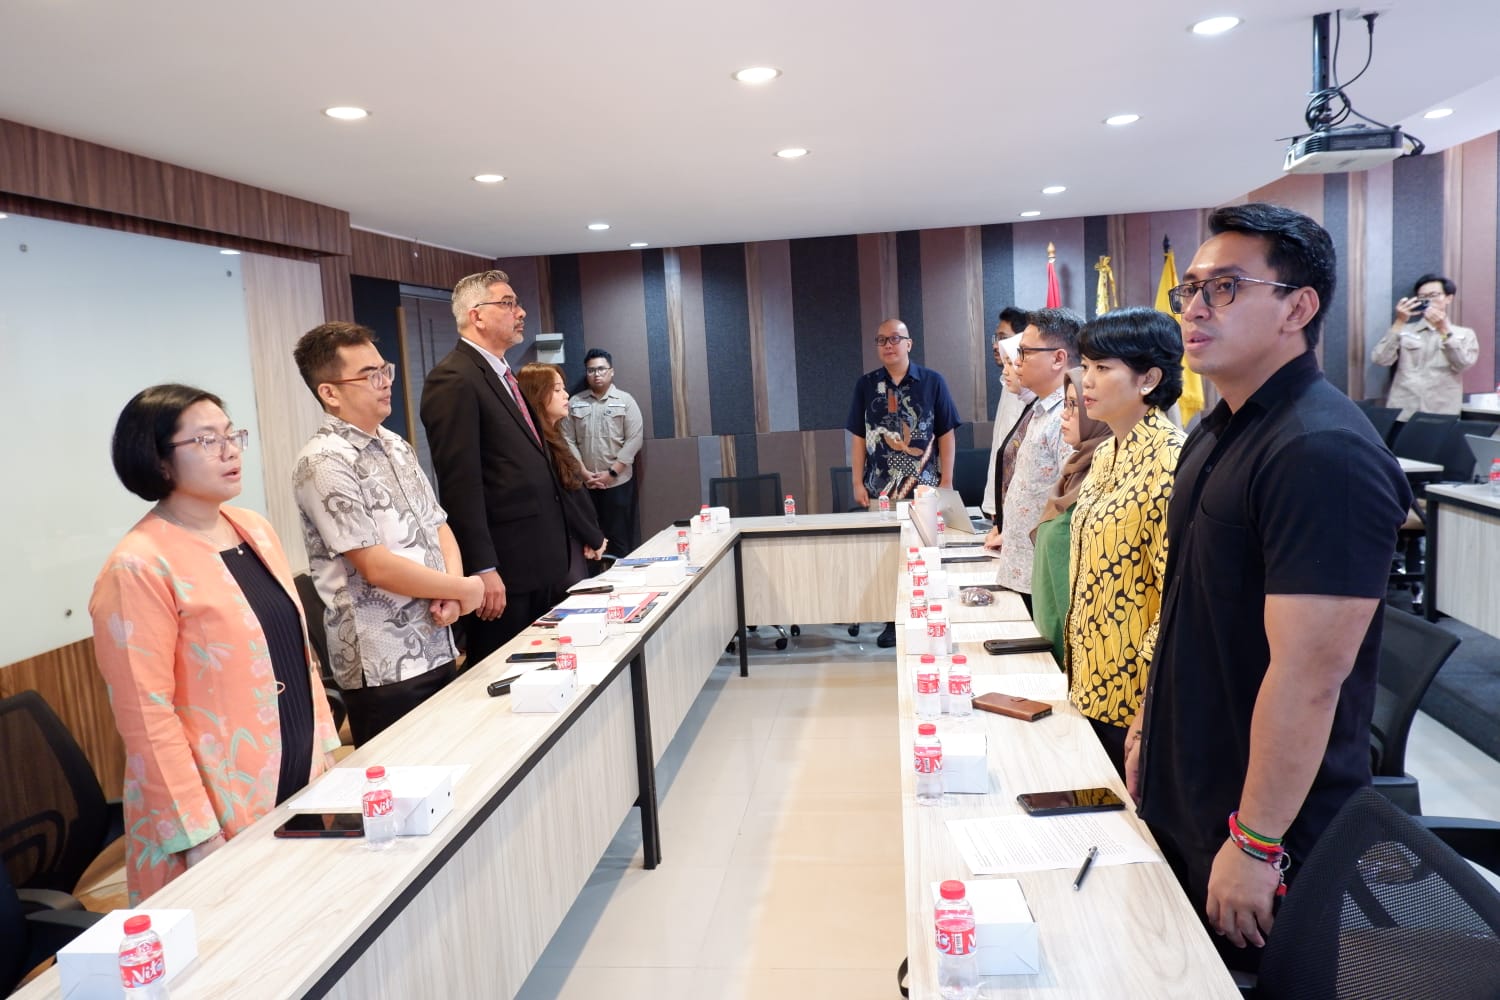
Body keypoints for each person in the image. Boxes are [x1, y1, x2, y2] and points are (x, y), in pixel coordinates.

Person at [1129, 203, 1410, 971]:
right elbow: (1188, 605)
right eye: (1189, 289)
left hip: (1265, 825)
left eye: (1224, 287)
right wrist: (1150, 725)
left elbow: (1310, 677)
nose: (1193, 308)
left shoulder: (1322, 451)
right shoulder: (1219, 428)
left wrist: (1256, 841)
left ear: (1298, 307)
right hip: (1194, 781)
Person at [90, 385, 340, 903]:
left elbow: (297, 655)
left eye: (231, 435)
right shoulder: (138, 565)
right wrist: (197, 833)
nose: (229, 451)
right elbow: (145, 715)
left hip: (296, 772)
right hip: (218, 805)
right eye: (206, 440)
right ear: (159, 461)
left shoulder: (253, 529)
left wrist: (325, 752)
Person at [291, 322, 485, 746]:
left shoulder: (395, 444)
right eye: (369, 375)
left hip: (436, 637)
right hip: (382, 660)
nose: (385, 382)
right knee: (407, 776)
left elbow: (436, 524)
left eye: (385, 370)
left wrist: (453, 593)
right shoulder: (323, 462)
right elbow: (375, 566)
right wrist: (463, 589)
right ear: (329, 392)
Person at [420, 270, 574, 667]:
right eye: (508, 304)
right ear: (477, 315)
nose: (520, 312)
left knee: (545, 671)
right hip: (505, 571)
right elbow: (460, 483)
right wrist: (482, 568)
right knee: (505, 675)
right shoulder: (454, 379)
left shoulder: (504, 374)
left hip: (540, 560)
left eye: (517, 304)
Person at [1065, 307, 1185, 778]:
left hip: (1135, 696)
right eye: (1085, 366)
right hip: (1090, 678)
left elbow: (1174, 599)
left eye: (1102, 367)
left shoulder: (1171, 461)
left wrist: (1147, 708)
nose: (1086, 381)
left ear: (1148, 379)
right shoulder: (1106, 452)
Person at [845, 317, 962, 647]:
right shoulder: (866, 385)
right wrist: (856, 482)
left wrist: (947, 480)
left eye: (895, 339)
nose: (888, 345)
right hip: (879, 491)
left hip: (923, 490)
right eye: (881, 340)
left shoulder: (932, 382)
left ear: (909, 343)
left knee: (923, 556)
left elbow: (947, 434)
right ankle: (892, 622)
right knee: (886, 558)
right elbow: (857, 436)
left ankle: (926, 616)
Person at [984, 307, 1081, 611]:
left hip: (1044, 575)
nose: (1017, 361)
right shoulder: (1042, 410)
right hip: (1023, 569)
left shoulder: (1068, 416)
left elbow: (1070, 506)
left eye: (1025, 352)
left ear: (1058, 358)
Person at [1028, 370, 1108, 668]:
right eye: (1066, 404)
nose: (1064, 414)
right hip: (1054, 640)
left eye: (1075, 405)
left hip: (1084, 657)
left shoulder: (1104, 474)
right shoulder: (1076, 469)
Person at [518, 362, 609, 584]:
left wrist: (591, 536)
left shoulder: (556, 436)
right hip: (558, 548)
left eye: (564, 388)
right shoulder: (537, 444)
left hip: (575, 540)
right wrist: (593, 537)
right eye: (557, 389)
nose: (566, 395)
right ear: (537, 395)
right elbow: (564, 499)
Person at [562, 348, 644, 556]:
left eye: (601, 369)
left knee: (619, 540)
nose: (596, 374)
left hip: (618, 483)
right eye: (591, 370)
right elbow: (567, 439)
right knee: (588, 542)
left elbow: (634, 440)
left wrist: (612, 473)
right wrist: (583, 473)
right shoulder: (574, 402)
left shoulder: (625, 401)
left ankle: (622, 576)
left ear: (611, 371)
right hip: (584, 484)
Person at [1371, 273, 1480, 419]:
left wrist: (1443, 330)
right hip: (1403, 409)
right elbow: (1380, 359)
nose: (1428, 300)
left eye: (1434, 295)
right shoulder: (1405, 330)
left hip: (1442, 411)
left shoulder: (1464, 334)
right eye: (1422, 297)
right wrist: (1400, 321)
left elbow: (1462, 365)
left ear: (1449, 298)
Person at [981, 307, 1037, 523]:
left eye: (1003, 338)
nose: (996, 345)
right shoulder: (1008, 384)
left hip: (1017, 509)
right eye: (996, 338)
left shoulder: (1030, 390)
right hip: (999, 502)